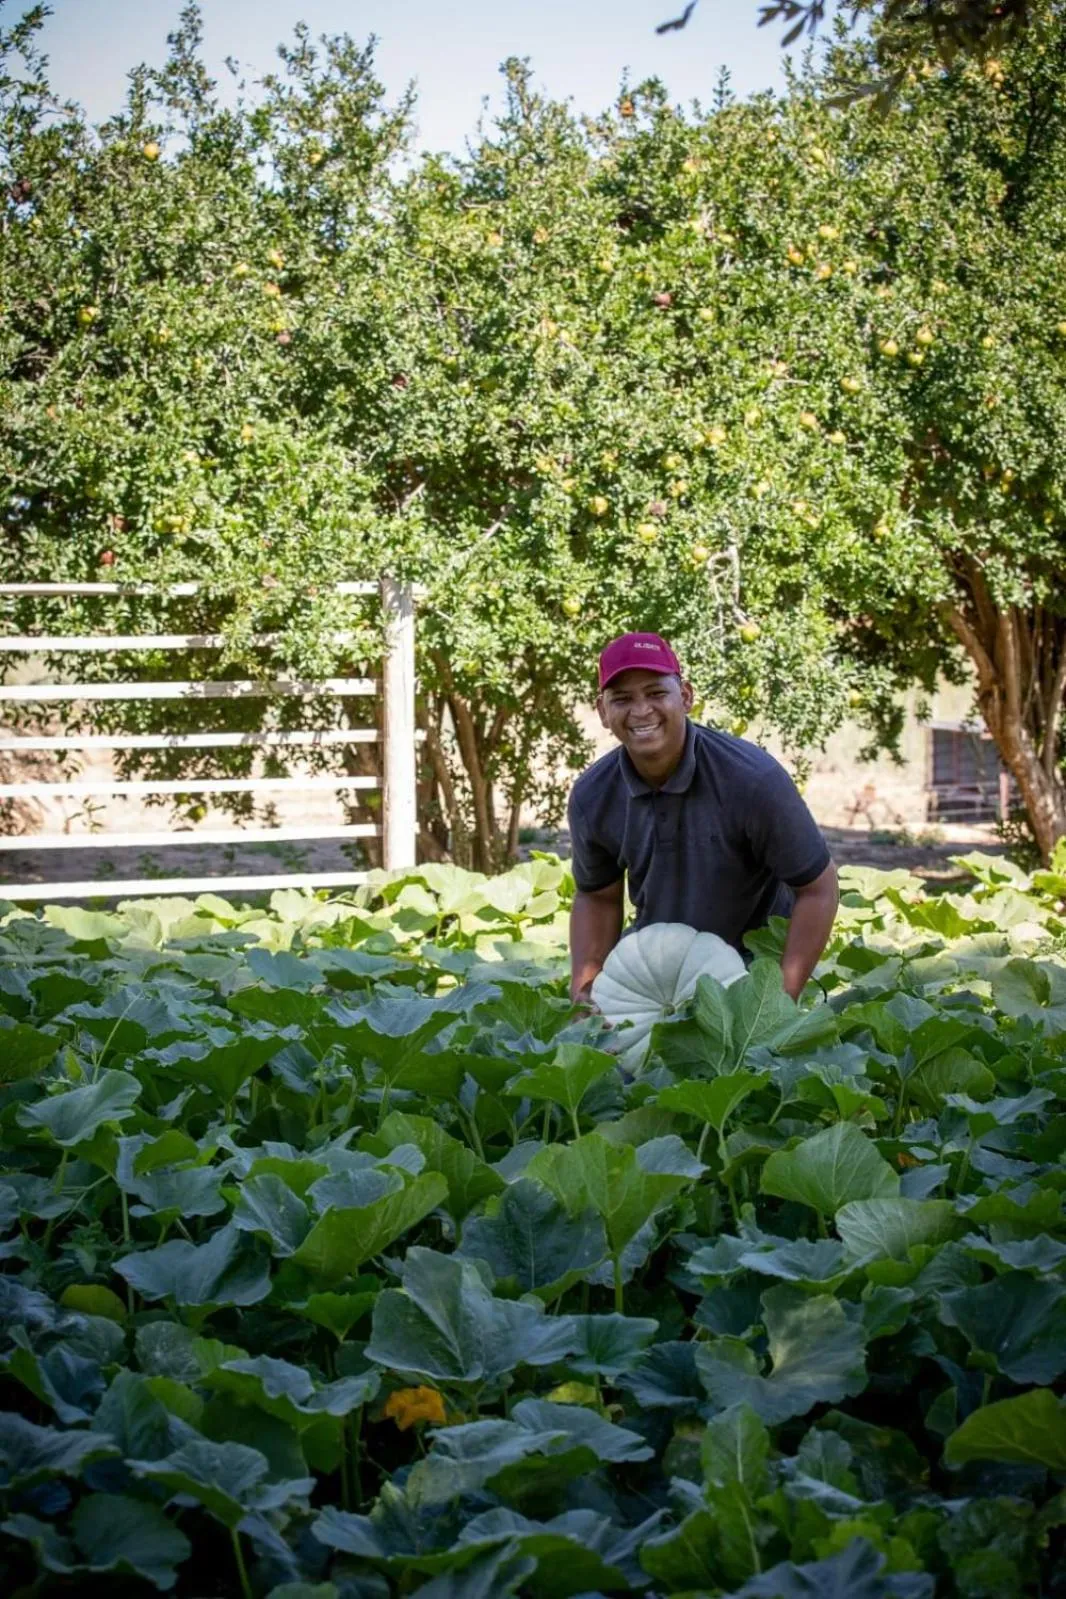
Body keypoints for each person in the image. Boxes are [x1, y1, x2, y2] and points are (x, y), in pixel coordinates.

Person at [568, 630, 838, 1009]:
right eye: (623, 699)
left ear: (686, 696)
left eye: (657, 693)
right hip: (656, 973)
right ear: (602, 711)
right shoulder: (592, 796)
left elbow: (818, 889)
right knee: (620, 1064)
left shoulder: (752, 779)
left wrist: (779, 1001)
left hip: (751, 970)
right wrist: (585, 989)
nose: (641, 710)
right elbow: (597, 898)